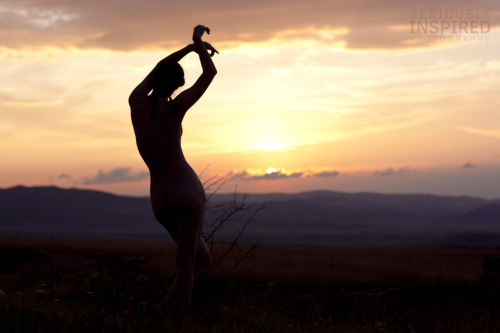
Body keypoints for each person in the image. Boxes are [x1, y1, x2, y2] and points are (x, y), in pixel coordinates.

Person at [128, 25, 218, 326]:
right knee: (186, 267)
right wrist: (198, 47)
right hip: (186, 192)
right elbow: (209, 75)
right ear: (178, 84)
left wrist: (188, 49)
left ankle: (164, 310)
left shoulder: (136, 102)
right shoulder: (176, 107)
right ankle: (175, 321)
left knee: (201, 261)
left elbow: (158, 68)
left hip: (159, 199)